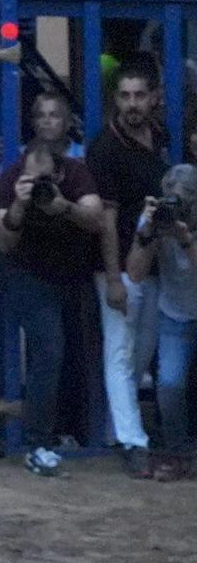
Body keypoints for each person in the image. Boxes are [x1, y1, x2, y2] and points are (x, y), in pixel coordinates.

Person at [0, 89, 111, 478]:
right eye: (39, 115)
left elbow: (97, 218)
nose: (46, 122)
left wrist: (64, 206)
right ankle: (36, 443)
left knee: (74, 354)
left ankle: (72, 431)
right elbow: (2, 241)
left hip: (71, 277)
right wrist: (20, 204)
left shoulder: (74, 173)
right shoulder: (11, 178)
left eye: (54, 115)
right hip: (29, 276)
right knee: (49, 351)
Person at [86, 61, 166, 471]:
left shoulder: (159, 137)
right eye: (125, 96)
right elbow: (107, 220)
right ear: (115, 100)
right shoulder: (106, 148)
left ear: (153, 98)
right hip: (117, 265)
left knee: (141, 352)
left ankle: (117, 430)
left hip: (153, 264)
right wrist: (113, 277)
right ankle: (134, 443)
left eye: (139, 95)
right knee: (120, 352)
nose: (132, 103)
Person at [126, 167, 197, 480]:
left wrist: (186, 239)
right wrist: (146, 234)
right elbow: (135, 273)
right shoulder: (156, 220)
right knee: (168, 384)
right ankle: (178, 453)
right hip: (175, 311)